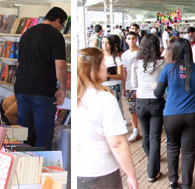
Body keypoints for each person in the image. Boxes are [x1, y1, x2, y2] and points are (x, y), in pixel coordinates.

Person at [76, 47, 138, 189]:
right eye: (103, 64)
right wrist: (131, 175)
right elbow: (117, 143)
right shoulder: (104, 99)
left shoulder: (75, 95)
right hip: (101, 171)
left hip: (78, 171)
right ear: (95, 69)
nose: (106, 67)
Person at [155, 38, 195, 189]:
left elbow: (158, 93)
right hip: (194, 114)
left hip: (172, 115)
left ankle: (172, 181)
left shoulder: (168, 69)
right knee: (189, 151)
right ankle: (186, 185)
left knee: (172, 146)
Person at [13, 7, 67, 150]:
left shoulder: (27, 33)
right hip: (42, 91)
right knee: (43, 136)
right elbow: (60, 65)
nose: (61, 28)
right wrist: (62, 88)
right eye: (62, 25)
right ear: (57, 21)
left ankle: (22, 167)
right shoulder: (55, 36)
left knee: (22, 135)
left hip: (21, 89)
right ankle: (43, 169)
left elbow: (19, 63)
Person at [130, 34, 166, 183]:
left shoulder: (136, 63)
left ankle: (152, 158)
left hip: (141, 101)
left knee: (145, 134)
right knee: (155, 137)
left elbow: (133, 83)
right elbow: (164, 84)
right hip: (157, 101)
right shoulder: (162, 63)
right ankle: (152, 172)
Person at [121, 32, 141, 142]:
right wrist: (124, 86)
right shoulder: (124, 55)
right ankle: (135, 130)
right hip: (129, 85)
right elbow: (124, 71)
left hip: (141, 85)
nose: (131, 40)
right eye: (129, 38)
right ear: (126, 40)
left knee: (142, 107)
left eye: (133, 38)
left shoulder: (141, 53)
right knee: (132, 109)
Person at [102, 36, 124, 100]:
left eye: (107, 43)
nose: (105, 45)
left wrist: (108, 75)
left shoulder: (116, 59)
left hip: (114, 86)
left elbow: (120, 75)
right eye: (103, 43)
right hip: (102, 86)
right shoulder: (98, 58)